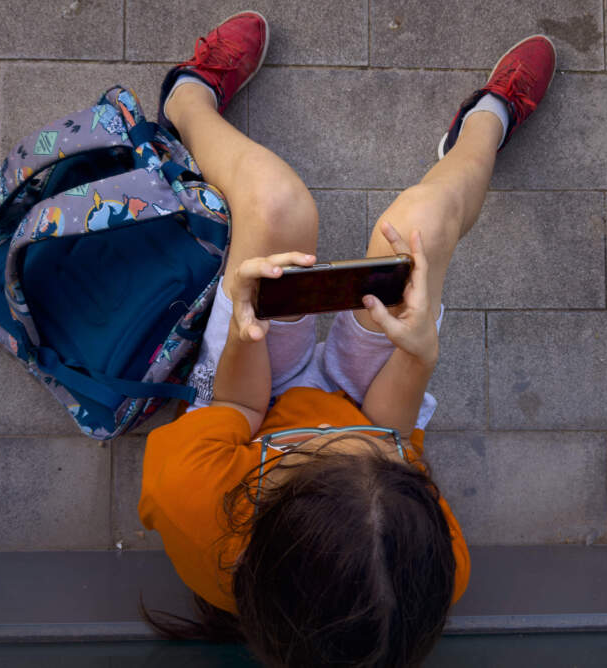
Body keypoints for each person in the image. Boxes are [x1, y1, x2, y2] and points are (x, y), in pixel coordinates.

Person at [139, 11, 556, 667]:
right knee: (419, 230)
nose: (327, 431)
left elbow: (242, 412)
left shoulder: (195, 499)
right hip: (366, 400)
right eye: (389, 464)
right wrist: (418, 355)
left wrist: (247, 325)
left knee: (276, 207)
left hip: (245, 407)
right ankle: (484, 126)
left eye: (303, 454)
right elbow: (390, 430)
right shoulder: (424, 558)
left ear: (257, 518)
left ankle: (186, 101)